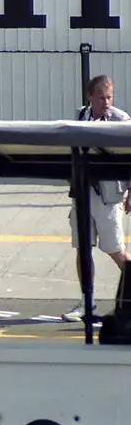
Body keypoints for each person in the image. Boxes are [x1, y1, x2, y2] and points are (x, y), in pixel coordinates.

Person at [62, 76, 131, 322]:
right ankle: (87, 302)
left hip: (108, 194)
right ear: (90, 97)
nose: (106, 102)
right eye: (101, 97)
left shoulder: (121, 120)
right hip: (83, 191)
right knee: (83, 247)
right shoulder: (80, 116)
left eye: (109, 97)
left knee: (116, 250)